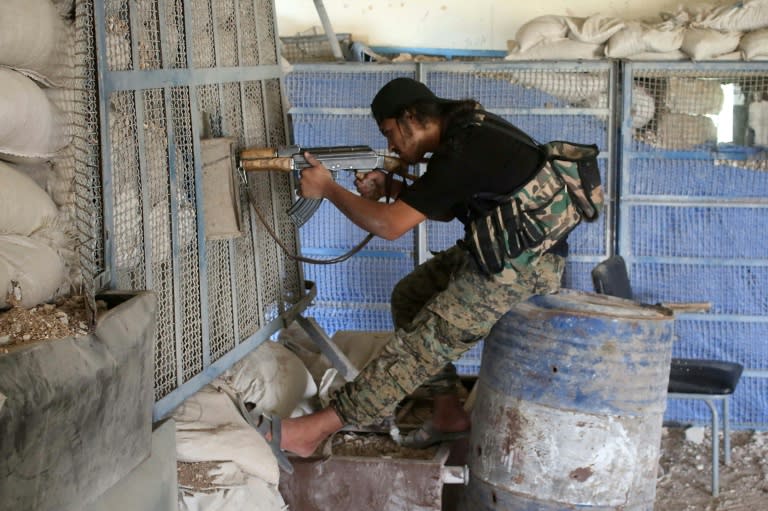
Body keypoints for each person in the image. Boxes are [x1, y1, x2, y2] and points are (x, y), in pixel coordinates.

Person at [277, 77, 569, 457]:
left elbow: (389, 226)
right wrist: (393, 191)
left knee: (419, 349)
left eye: (389, 133)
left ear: (410, 117)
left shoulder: (464, 146)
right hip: (506, 250)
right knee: (411, 295)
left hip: (520, 266)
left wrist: (329, 189)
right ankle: (446, 411)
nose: (391, 146)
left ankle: (314, 431)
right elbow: (447, 206)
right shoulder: (467, 132)